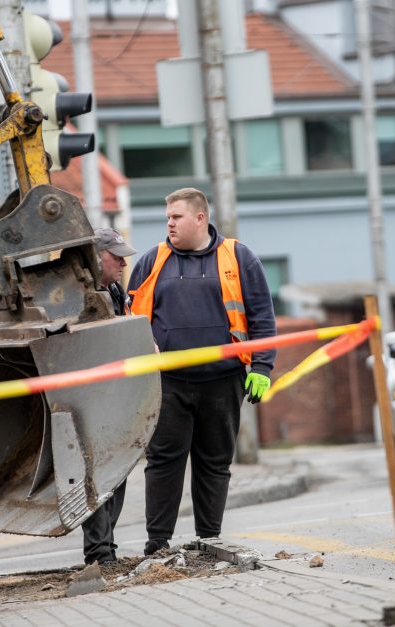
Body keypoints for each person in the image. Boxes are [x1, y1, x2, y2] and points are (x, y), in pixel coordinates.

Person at [127, 187, 276, 556]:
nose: (169, 225)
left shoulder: (239, 258)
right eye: (167, 218)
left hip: (223, 381)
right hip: (167, 383)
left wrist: (262, 367)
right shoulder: (152, 261)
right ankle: (157, 544)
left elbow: (262, 317)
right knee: (163, 462)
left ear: (200, 218)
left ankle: (209, 539)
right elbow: (129, 319)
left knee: (214, 463)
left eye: (176, 218)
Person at [81, 227, 138, 565]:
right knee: (97, 473)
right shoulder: (78, 295)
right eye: (115, 256)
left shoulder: (115, 291)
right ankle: (99, 552)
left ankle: (106, 547)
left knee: (117, 470)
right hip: (89, 400)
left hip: (116, 396)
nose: (122, 263)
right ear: (94, 256)